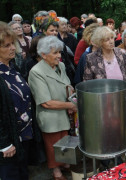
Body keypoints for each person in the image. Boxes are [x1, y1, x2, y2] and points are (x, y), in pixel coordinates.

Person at [28, 36, 77, 180]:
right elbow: (46, 102)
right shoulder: (36, 72)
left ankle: (65, 164)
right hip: (50, 115)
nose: (59, 56)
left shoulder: (60, 66)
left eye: (60, 52)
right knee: (53, 145)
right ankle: (56, 172)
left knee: (65, 140)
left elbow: (66, 84)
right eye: (55, 53)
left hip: (64, 112)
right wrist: (71, 105)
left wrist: (72, 95)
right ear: (43, 55)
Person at [0, 21, 42, 180]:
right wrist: (4, 143)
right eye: (6, 45)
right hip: (8, 143)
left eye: (12, 44)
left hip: (23, 136)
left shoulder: (12, 67)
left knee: (23, 173)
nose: (12, 48)